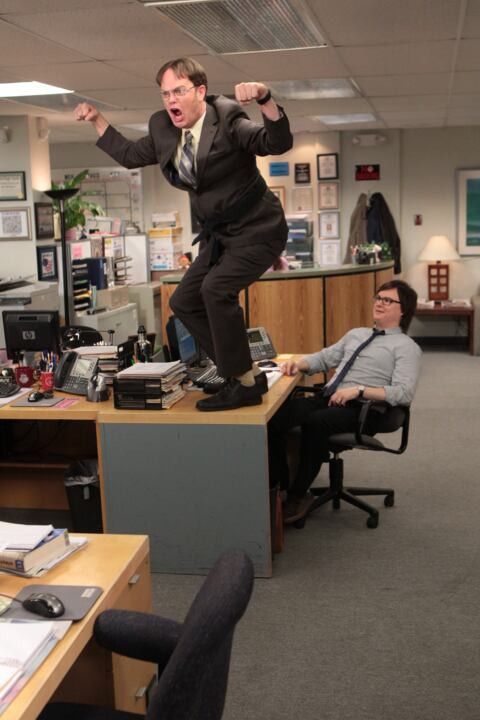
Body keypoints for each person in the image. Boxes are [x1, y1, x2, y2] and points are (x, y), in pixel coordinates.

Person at [74, 57, 293, 411]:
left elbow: (274, 143)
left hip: (259, 229)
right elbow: (130, 155)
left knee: (216, 290)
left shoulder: (229, 118)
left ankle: (243, 382)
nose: (171, 100)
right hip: (220, 236)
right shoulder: (164, 129)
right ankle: (239, 371)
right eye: (165, 94)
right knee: (183, 301)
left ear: (200, 92)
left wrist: (266, 98)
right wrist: (98, 120)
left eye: (179, 91)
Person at [268, 280, 422, 524]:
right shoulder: (357, 334)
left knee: (316, 422)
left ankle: (298, 496)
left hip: (364, 410)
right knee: (274, 417)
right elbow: (325, 357)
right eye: (378, 298)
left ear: (403, 310)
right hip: (329, 397)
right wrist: (299, 364)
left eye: (388, 300)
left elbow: (403, 393)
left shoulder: (406, 347)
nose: (380, 303)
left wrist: (359, 390)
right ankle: (278, 487)